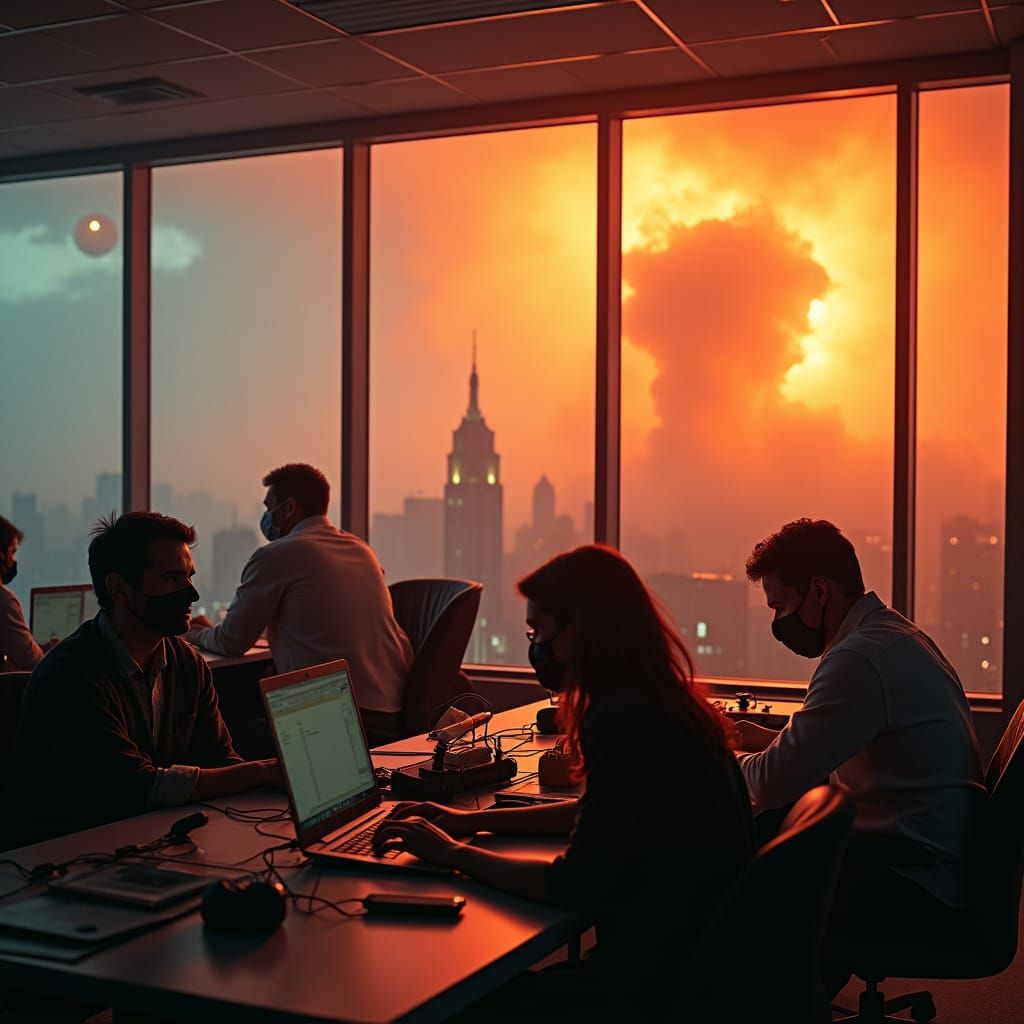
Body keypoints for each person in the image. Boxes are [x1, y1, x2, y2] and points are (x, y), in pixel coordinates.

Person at [373, 545, 755, 1018]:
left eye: (538, 631)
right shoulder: (663, 703)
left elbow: (573, 885)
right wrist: (468, 823)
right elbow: (595, 812)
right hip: (695, 966)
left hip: (650, 990)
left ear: (584, 628)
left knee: (441, 1000)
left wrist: (453, 855)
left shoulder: (622, 721)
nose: (534, 647)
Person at [736, 518, 986, 990]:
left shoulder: (856, 660)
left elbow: (769, 782)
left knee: (749, 856)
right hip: (933, 852)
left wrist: (717, 759)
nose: (778, 624)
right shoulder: (893, 636)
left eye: (781, 607)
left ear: (820, 590)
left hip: (909, 875)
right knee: (774, 830)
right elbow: (832, 735)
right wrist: (764, 740)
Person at [11, 512, 282, 845]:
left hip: (161, 841)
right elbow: (134, 788)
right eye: (171, 579)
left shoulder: (186, 663)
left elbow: (220, 760)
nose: (191, 595)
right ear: (120, 590)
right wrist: (261, 771)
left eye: (189, 577)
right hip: (78, 857)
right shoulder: (69, 677)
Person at [187, 463, 413, 738]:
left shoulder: (277, 555)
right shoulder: (361, 550)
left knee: (220, 716)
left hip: (337, 717)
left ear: (289, 508)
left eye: (269, 507)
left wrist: (195, 632)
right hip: (393, 711)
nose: (267, 516)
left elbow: (230, 642)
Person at [0, 515, 49, 671]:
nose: (13, 560)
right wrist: (56, 653)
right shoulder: (4, 601)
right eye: (12, 552)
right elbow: (34, 662)